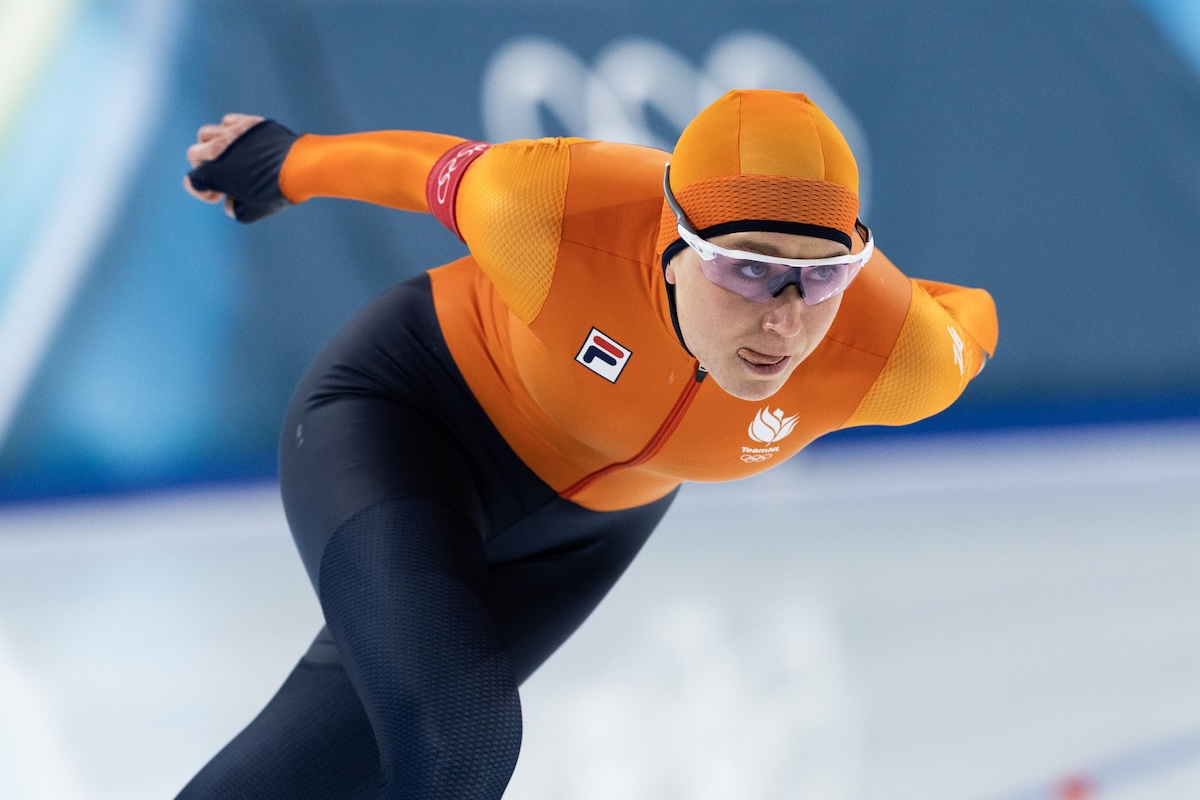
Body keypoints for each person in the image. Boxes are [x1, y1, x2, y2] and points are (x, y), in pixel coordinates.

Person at [177, 89, 997, 799]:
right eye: (746, 269)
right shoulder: (556, 210)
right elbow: (423, 171)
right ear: (674, 244)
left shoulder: (895, 354)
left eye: (821, 276)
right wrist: (286, 160)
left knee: (313, 769)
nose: (784, 319)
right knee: (462, 740)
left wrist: (859, 292)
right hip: (407, 419)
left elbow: (973, 318)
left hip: (583, 533)